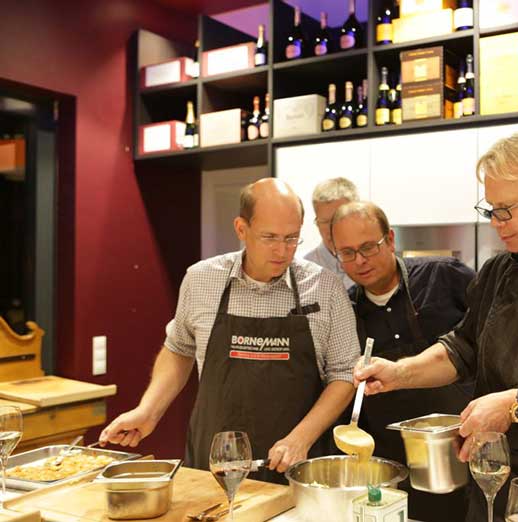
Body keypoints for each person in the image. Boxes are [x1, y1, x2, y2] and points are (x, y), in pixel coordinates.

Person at [354, 131, 518, 522]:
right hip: (491, 477)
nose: (496, 223)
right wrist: (400, 372)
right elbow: (463, 347)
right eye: (491, 209)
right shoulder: (498, 271)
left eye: (507, 209)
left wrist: (515, 404)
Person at [100, 179, 360, 484]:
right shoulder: (201, 280)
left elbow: (345, 373)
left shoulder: (325, 288)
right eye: (269, 237)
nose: (282, 251)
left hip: (298, 467)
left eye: (292, 238)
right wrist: (149, 410)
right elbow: (180, 348)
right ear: (241, 229)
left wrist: (301, 438)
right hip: (216, 462)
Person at [331, 201, 475, 522]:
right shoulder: (346, 310)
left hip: (463, 450)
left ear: (391, 240)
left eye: (368, 247)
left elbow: (490, 339)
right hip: (393, 468)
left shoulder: (445, 276)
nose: (360, 260)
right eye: (347, 253)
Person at [303, 177, 359, 290]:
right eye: (324, 222)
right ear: (317, 223)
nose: (331, 230)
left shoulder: (371, 262)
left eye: (338, 219)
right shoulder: (303, 270)